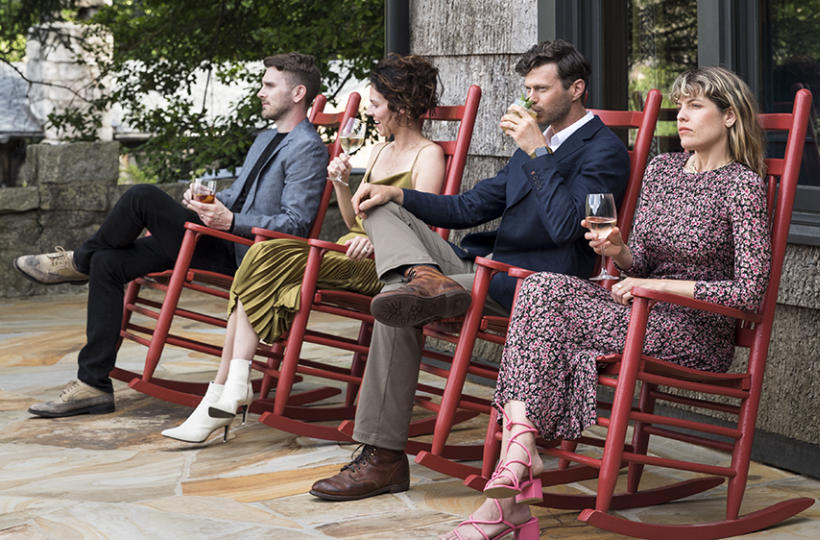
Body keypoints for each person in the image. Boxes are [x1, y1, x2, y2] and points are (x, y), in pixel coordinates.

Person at [442, 66, 771, 540]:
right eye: (680, 106)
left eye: (696, 106)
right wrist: (620, 252)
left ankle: (510, 499)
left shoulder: (742, 186)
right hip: (640, 312)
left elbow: (749, 292)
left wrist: (654, 289)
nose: (682, 116)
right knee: (541, 287)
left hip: (693, 330)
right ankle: (520, 450)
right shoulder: (662, 170)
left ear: (732, 117)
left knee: (548, 320)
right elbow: (645, 264)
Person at [307, 39, 630, 502]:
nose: (529, 99)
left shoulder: (602, 151)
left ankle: (383, 457)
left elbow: (565, 228)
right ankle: (424, 277)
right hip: (479, 266)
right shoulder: (536, 141)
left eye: (540, 89)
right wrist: (399, 195)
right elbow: (470, 206)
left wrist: (538, 152)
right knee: (382, 207)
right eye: (527, 89)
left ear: (576, 88)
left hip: (532, 285)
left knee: (398, 302)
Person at [16, 52, 329, 418]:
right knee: (108, 262)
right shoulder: (266, 139)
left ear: (297, 93)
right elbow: (239, 196)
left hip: (244, 255)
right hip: (217, 237)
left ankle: (76, 261)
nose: (260, 92)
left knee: (142, 196)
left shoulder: (307, 148)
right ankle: (93, 385)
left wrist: (230, 222)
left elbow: (296, 224)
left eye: (269, 85)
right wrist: (206, 202)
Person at [160, 53, 447, 444]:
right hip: (351, 248)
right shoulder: (379, 151)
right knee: (264, 251)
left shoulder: (428, 155)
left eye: (377, 105)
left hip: (386, 263)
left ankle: (226, 390)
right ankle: (233, 383)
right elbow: (352, 222)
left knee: (265, 254)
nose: (372, 114)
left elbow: (422, 226)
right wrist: (343, 185)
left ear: (402, 106)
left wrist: (376, 238)